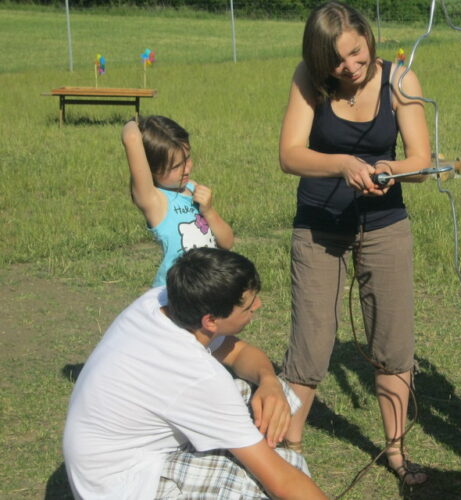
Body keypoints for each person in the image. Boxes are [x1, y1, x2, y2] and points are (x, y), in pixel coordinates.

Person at [277, 1, 431, 486]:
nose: (350, 67)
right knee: (311, 343)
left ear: (368, 38)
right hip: (319, 224)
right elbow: (290, 154)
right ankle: (289, 450)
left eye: (356, 53)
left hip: (385, 224)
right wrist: (343, 163)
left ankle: (397, 453)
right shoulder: (309, 78)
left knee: (393, 341)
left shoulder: (401, 80)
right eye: (337, 61)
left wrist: (389, 170)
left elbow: (421, 159)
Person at [63, 248, 327, 499]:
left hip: (107, 461)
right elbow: (281, 483)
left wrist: (269, 381)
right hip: (122, 486)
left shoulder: (162, 302)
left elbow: (238, 353)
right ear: (210, 321)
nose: (257, 305)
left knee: (256, 396)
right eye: (247, 306)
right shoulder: (197, 375)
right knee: (264, 480)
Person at [122, 116, 234, 288]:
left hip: (206, 288)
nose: (186, 169)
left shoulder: (192, 188)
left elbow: (227, 243)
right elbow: (131, 138)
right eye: (175, 167)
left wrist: (209, 211)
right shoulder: (154, 200)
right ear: (151, 169)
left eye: (187, 158)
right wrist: (134, 122)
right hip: (173, 293)